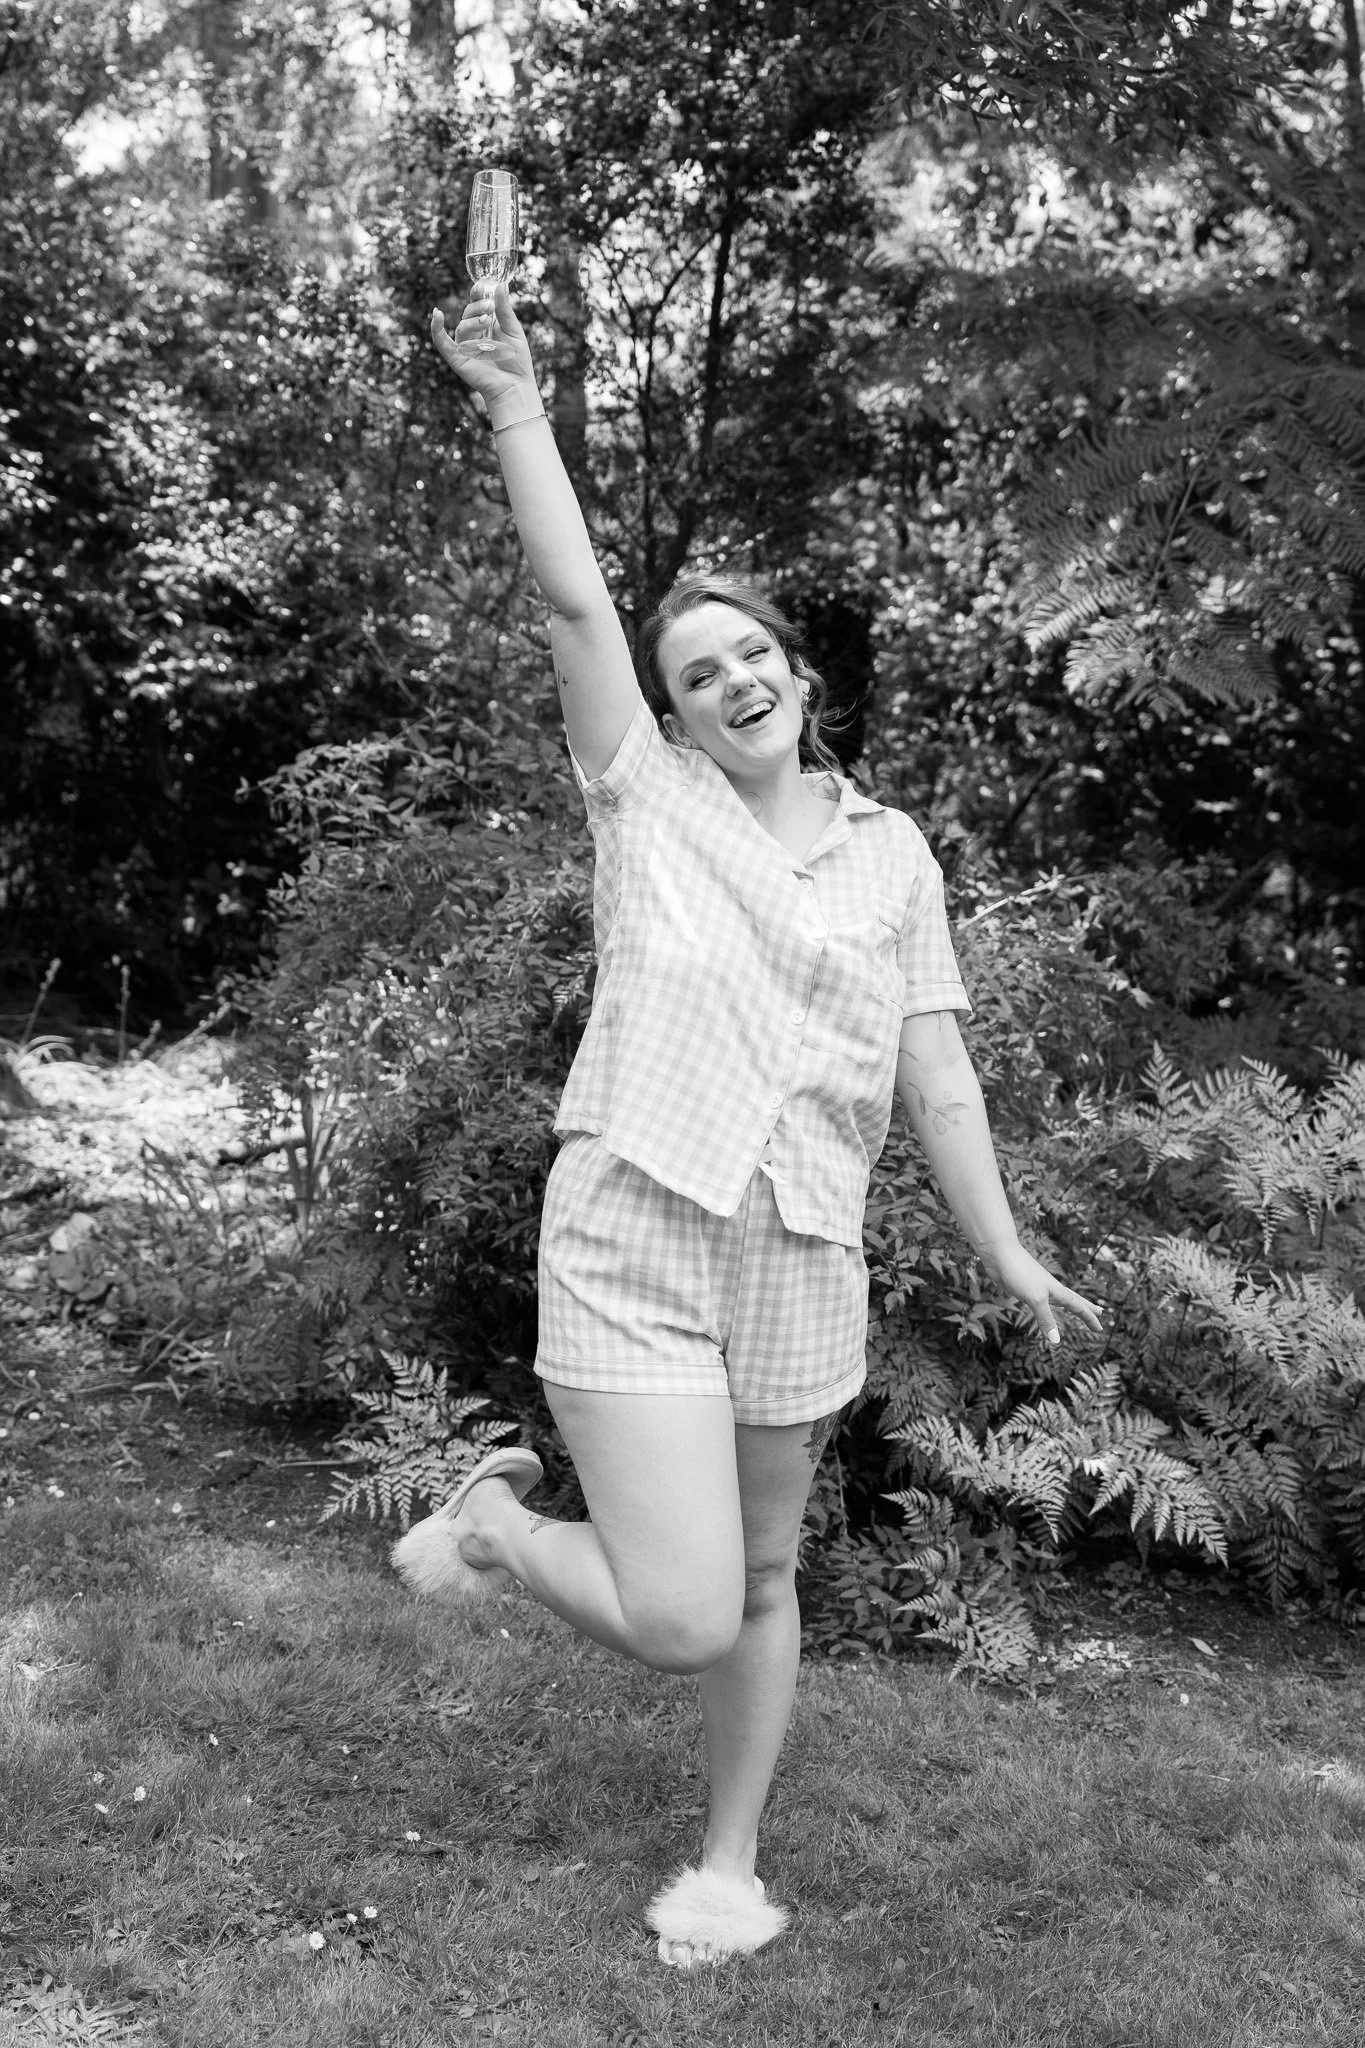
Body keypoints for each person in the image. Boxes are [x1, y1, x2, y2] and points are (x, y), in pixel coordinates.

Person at [393, 277, 1102, 1970]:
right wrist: (513, 406)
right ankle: (496, 1520)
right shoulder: (647, 807)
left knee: (766, 1577)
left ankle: (728, 1864)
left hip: (803, 1245)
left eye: (750, 654)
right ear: (676, 710)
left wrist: (1003, 1243)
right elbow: (574, 610)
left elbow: (937, 1068)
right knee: (683, 1607)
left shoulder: (894, 855)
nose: (730, 682)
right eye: (695, 672)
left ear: (797, 670)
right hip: (640, 1220)